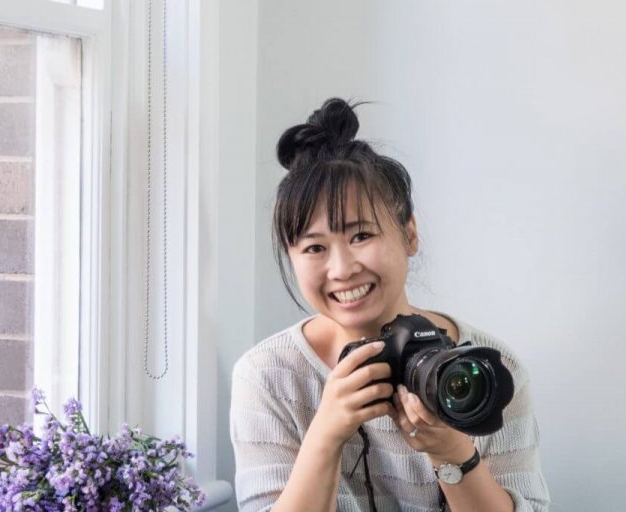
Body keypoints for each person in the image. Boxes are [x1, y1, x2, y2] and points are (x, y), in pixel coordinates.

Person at [229, 98, 550, 512]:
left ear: (409, 234)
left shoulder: (485, 369)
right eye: (314, 247)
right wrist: (326, 434)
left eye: (361, 236)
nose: (342, 269)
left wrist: (452, 452)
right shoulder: (268, 376)